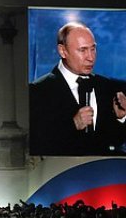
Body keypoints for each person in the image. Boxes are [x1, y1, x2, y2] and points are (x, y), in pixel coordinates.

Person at [29, 21, 126, 156]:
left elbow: (113, 141)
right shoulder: (38, 91)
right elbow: (36, 145)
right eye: (83, 50)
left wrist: (121, 118)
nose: (91, 57)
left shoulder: (107, 87)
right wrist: (72, 125)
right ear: (63, 51)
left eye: (93, 49)